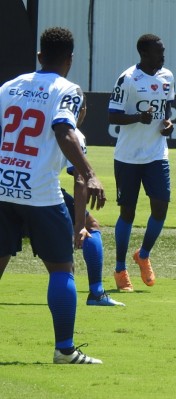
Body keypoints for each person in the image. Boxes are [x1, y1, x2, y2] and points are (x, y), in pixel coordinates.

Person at [0, 27, 106, 363]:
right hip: (40, 192)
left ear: (40, 57)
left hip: (2, 186)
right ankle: (64, 350)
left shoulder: (9, 86)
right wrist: (90, 173)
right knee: (61, 268)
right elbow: (63, 129)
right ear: (70, 60)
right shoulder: (68, 90)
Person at [108, 33, 175, 292]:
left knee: (161, 207)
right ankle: (120, 269)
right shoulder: (127, 79)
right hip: (127, 157)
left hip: (157, 153)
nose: (163, 55)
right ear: (144, 54)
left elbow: (167, 110)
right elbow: (112, 116)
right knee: (128, 213)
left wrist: (168, 124)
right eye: (159, 51)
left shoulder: (167, 76)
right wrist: (137, 117)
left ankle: (143, 255)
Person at [62, 94, 125, 306]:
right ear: (82, 111)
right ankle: (96, 293)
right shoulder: (74, 134)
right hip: (41, 190)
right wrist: (79, 224)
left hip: (9, 185)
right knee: (90, 226)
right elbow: (80, 179)